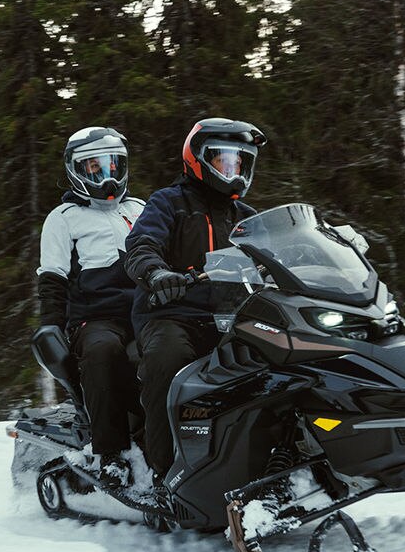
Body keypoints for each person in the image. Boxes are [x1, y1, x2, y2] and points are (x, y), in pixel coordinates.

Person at [123, 118, 267, 490]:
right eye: (224, 161)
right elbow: (141, 245)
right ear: (198, 159)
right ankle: (164, 473)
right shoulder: (169, 203)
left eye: (239, 163)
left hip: (232, 316)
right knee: (169, 360)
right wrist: (156, 274)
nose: (232, 171)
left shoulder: (247, 218)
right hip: (171, 313)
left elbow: (279, 255)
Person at [37, 126, 146, 488]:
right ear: (76, 171)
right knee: (103, 352)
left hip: (149, 309)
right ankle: (112, 455)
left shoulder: (140, 209)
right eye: (95, 169)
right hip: (97, 318)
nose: (107, 177)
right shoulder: (64, 217)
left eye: (114, 166)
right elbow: (52, 275)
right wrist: (51, 324)